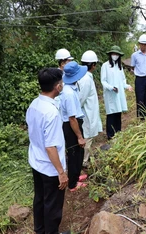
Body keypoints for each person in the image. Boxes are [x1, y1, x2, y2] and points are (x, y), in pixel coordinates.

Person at [26, 68, 68, 234]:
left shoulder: (35, 104)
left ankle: (40, 230)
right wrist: (61, 172)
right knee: (53, 205)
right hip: (50, 168)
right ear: (57, 87)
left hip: (36, 162)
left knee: (40, 199)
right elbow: (50, 147)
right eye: (62, 83)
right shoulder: (51, 113)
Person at [59, 61, 88, 192]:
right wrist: (79, 136)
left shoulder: (71, 88)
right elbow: (71, 118)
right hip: (71, 125)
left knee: (78, 152)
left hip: (74, 123)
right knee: (73, 153)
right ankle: (72, 184)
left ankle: (75, 177)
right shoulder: (69, 94)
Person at [101, 45, 133, 140]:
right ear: (110, 54)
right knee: (111, 113)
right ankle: (110, 135)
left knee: (118, 113)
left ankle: (118, 132)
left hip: (119, 94)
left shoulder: (119, 67)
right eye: (113, 54)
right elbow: (103, 81)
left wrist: (127, 86)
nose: (115, 55)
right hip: (110, 94)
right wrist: (111, 88)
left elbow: (122, 80)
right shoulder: (105, 66)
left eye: (117, 54)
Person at [78, 50, 103, 166]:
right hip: (86, 114)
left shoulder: (84, 77)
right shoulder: (86, 79)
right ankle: (83, 161)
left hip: (88, 112)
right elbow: (81, 99)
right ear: (93, 65)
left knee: (88, 137)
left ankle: (84, 159)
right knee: (87, 138)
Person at [131, 34, 146, 120]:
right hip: (139, 80)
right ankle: (140, 118)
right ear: (139, 44)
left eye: (145, 44)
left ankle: (145, 115)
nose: (143, 46)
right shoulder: (134, 55)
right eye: (141, 44)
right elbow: (133, 67)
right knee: (140, 99)